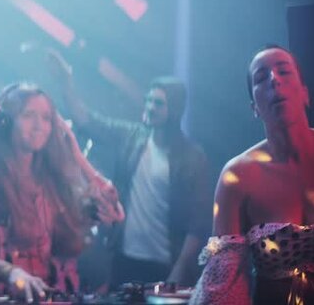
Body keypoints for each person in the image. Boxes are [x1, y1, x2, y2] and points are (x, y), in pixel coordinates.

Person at [191, 45, 314, 304]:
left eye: (284, 71)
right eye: (261, 77)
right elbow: (224, 286)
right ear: (254, 107)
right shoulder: (238, 175)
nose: (274, 79)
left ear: (305, 93)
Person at [49, 51, 212, 287]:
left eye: (158, 103)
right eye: (148, 100)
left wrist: (179, 270)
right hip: (124, 259)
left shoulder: (192, 157)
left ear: (174, 110)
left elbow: (198, 224)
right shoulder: (132, 137)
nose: (149, 107)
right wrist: (66, 81)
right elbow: (86, 120)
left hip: (166, 266)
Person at [0, 83, 123, 303]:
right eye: (29, 115)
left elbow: (113, 211)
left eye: (46, 118)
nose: (40, 126)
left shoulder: (52, 179)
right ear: (5, 122)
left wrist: (76, 154)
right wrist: (11, 272)